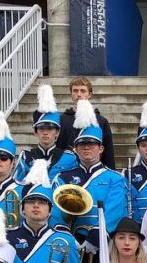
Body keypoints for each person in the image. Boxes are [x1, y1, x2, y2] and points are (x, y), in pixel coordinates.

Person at [53, 100, 127, 240]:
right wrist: (64, 234)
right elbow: (55, 213)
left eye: (91, 144)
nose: (86, 147)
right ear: (75, 149)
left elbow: (114, 210)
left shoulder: (115, 178)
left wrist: (95, 237)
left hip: (102, 241)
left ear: (101, 148)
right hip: (69, 240)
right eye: (82, 144)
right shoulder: (62, 178)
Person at [16, 84, 78, 183]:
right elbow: (17, 184)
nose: (45, 132)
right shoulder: (26, 157)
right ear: (36, 132)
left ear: (57, 132)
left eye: (49, 129)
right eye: (41, 128)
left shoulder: (69, 158)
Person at [55, 76, 116, 169]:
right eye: (75, 90)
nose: (79, 94)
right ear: (71, 94)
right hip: (66, 171)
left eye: (83, 91)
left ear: (90, 94)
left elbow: (108, 151)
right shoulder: (61, 120)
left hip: (93, 172)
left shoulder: (100, 121)